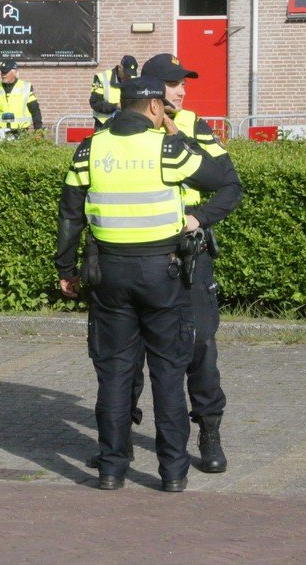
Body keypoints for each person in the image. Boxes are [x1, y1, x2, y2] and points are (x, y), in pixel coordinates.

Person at [54, 76, 239, 492]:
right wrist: (199, 218)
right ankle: (173, 473)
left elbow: (69, 214)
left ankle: (111, 469)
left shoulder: (89, 147)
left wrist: (66, 269)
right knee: (168, 374)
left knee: (115, 374)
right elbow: (222, 180)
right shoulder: (166, 147)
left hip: (108, 276)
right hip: (163, 273)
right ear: (155, 107)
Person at [155, 53, 242, 473]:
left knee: (201, 344)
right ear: (152, 89)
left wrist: (200, 217)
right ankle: (126, 429)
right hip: (139, 254)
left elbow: (229, 184)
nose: (182, 90)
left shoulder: (193, 124)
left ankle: (209, 429)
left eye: (183, 83)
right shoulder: (119, 129)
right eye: (174, 84)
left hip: (189, 252)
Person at [0, 60, 42, 136]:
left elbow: (35, 110)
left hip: (21, 132)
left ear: (14, 72)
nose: (3, 75)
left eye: (5, 72)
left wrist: (38, 130)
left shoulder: (26, 87)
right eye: (2, 72)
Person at [89, 55, 138, 130]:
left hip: (126, 124)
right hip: (104, 125)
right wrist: (116, 106)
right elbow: (95, 103)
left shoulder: (134, 79)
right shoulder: (102, 78)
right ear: (119, 68)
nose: (128, 77)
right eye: (126, 73)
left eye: (130, 74)